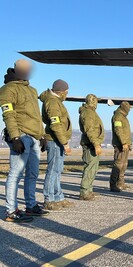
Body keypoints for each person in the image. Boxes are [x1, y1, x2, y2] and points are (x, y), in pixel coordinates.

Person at [0, 59, 48, 222]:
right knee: (16, 173)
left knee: (33, 173)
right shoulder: (8, 89)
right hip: (21, 136)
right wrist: (15, 137)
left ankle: (30, 205)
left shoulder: (32, 90)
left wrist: (42, 135)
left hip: (35, 138)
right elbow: (8, 114)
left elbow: (36, 116)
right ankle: (11, 211)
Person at [40, 79, 74, 210]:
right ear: (63, 91)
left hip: (57, 140)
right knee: (53, 170)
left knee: (57, 170)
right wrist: (65, 143)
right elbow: (56, 125)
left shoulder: (55, 101)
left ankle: (58, 197)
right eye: (66, 91)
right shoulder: (53, 103)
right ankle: (49, 199)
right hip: (55, 140)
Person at [79, 94, 104, 200]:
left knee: (93, 169)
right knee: (89, 168)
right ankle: (84, 192)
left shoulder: (91, 112)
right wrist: (96, 144)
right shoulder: (88, 113)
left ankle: (89, 190)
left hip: (92, 144)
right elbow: (89, 130)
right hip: (90, 145)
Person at [109, 101, 133, 192]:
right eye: (128, 108)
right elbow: (118, 130)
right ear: (125, 108)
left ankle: (120, 183)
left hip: (125, 145)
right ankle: (113, 184)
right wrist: (123, 143)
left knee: (124, 165)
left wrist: (128, 143)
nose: (129, 110)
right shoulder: (118, 117)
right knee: (118, 165)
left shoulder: (123, 117)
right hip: (120, 145)